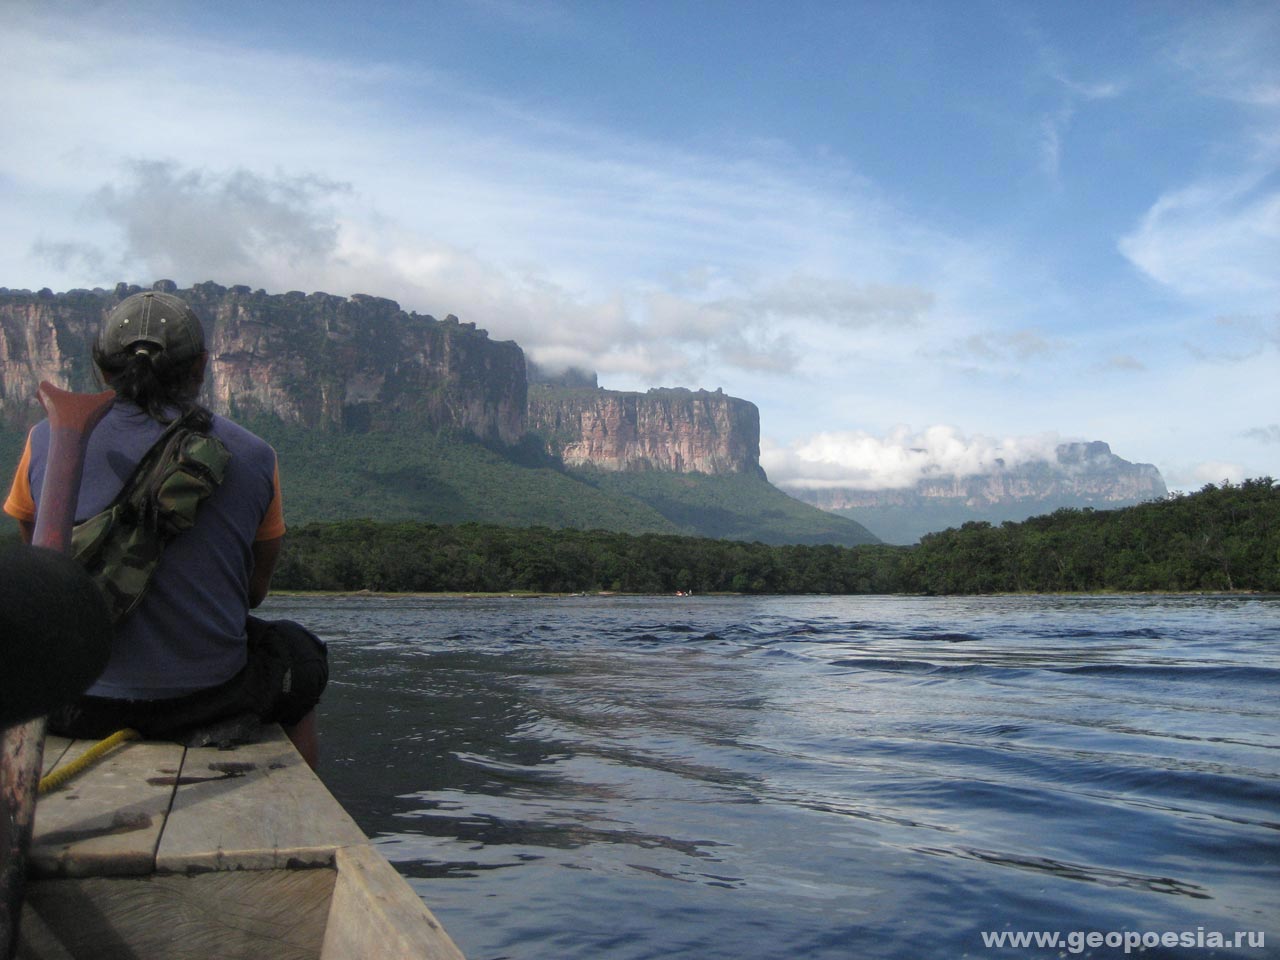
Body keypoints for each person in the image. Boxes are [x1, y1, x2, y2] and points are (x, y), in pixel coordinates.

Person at [3, 290, 325, 767]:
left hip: (74, 704)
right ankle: (302, 815)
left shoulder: (46, 439)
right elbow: (252, 595)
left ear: (100, 365)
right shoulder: (255, 455)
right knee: (299, 652)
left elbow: (44, 574)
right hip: (205, 700)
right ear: (200, 367)